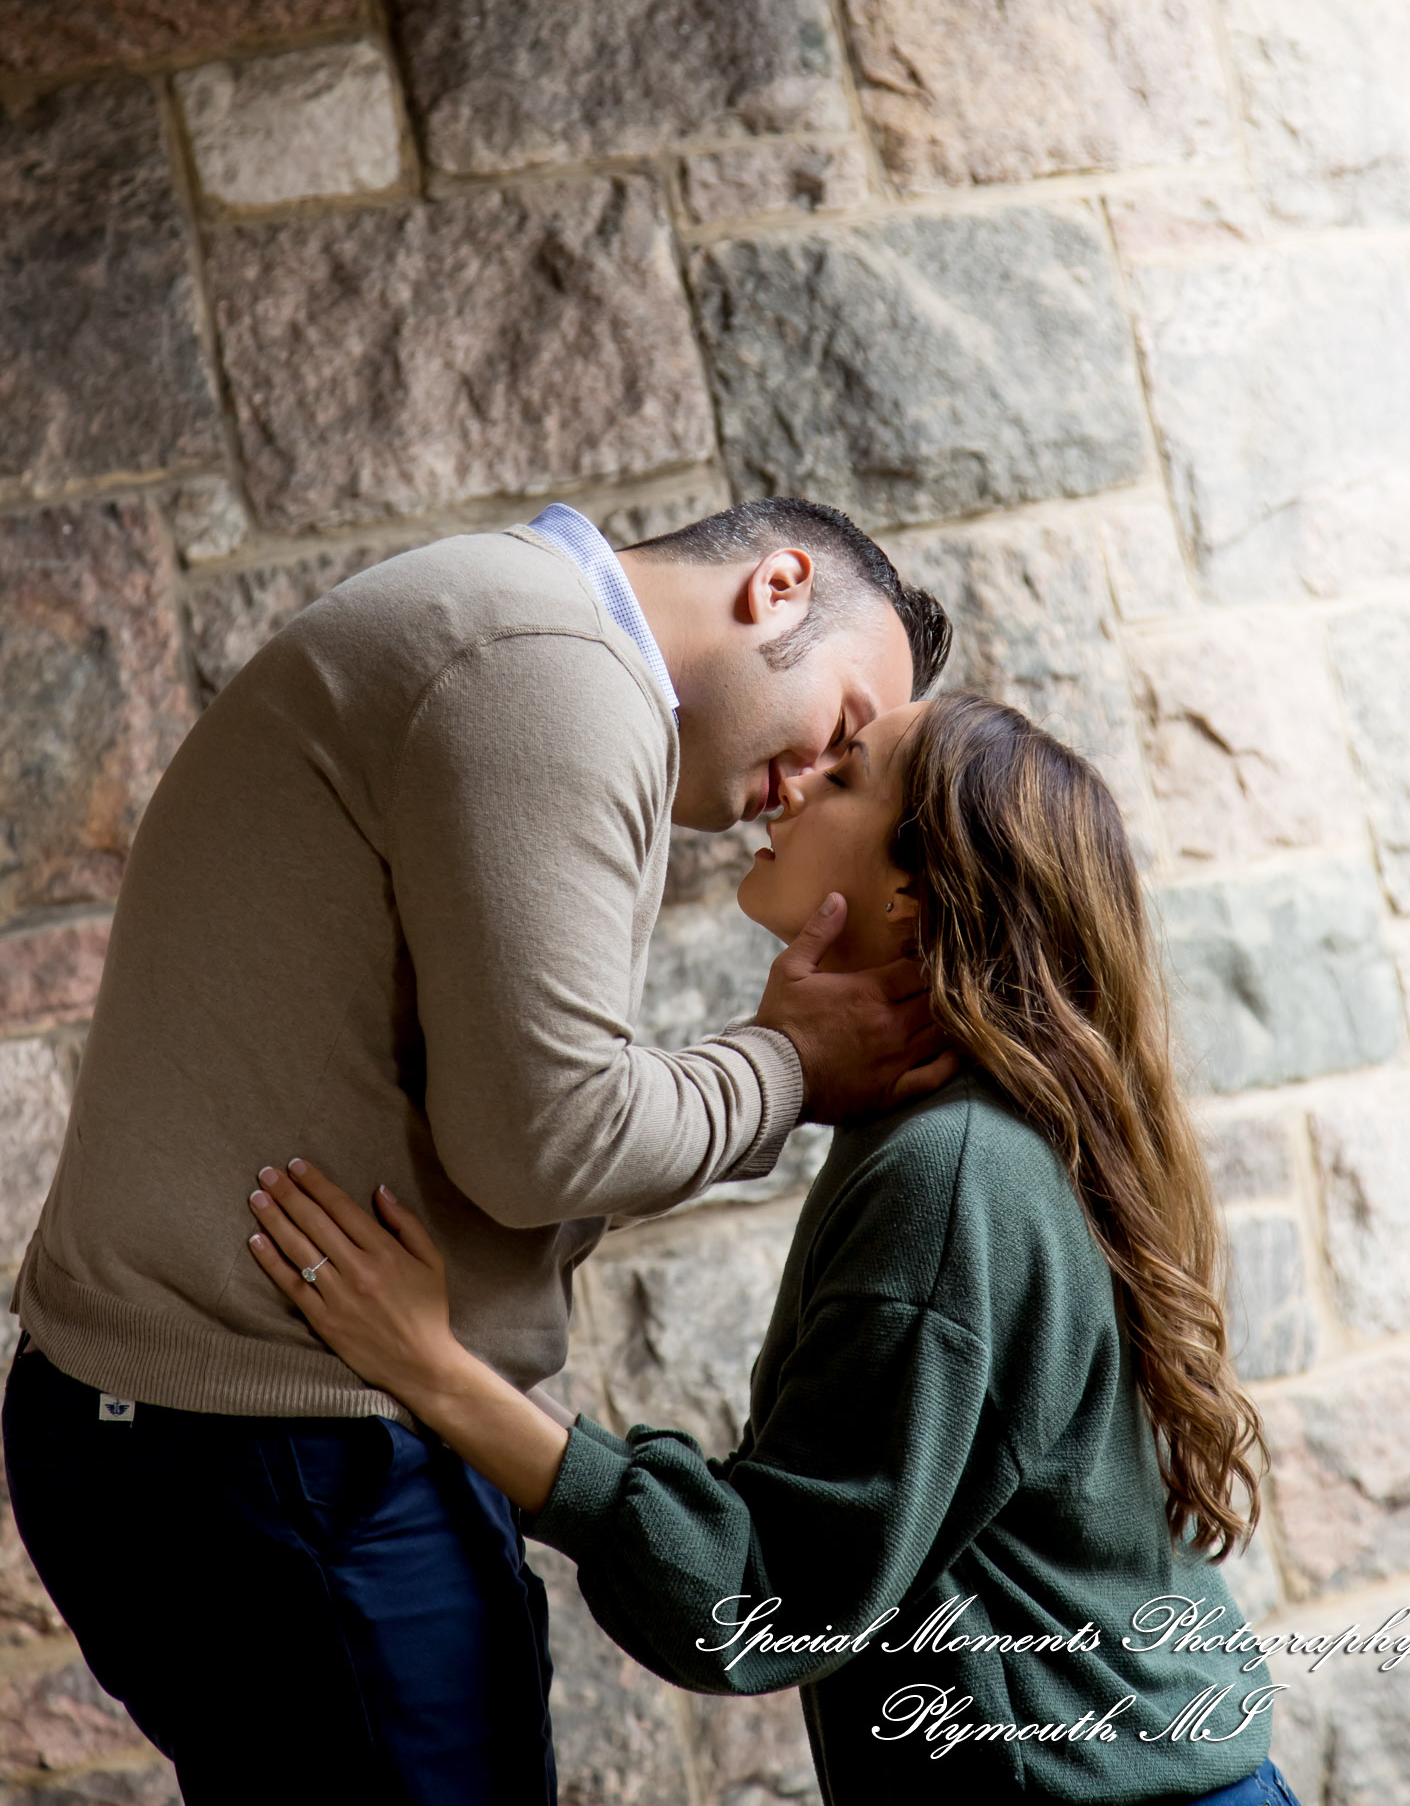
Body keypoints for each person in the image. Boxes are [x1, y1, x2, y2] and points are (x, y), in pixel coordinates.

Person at [2, 497, 955, 1806]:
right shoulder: (555, 668)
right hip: (277, 1439)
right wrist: (787, 1067)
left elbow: (505, 1121)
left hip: (229, 1435)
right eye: (843, 730)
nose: (806, 785)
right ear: (779, 584)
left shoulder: (516, 627)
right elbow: (549, 1142)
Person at [234, 692, 1304, 1806]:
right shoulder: (983, 1135)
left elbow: (761, 1593)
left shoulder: (949, 1177)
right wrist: (786, 1057)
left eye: (844, 777)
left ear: (910, 896)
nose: (791, 785)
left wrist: (435, 1371)